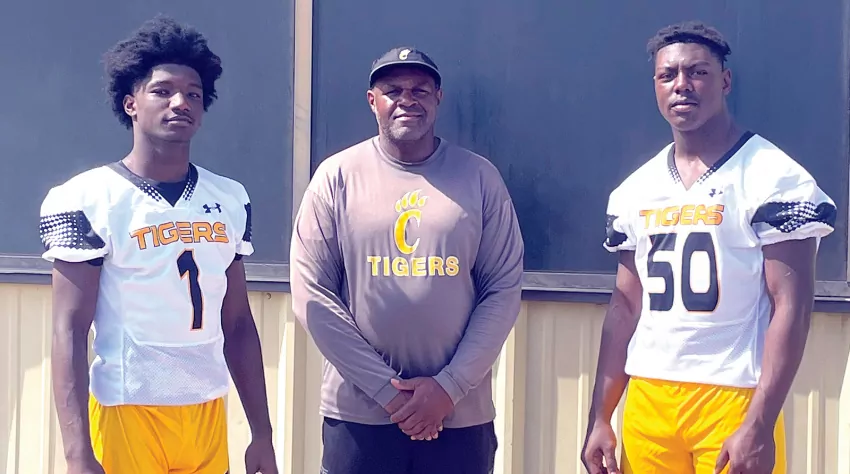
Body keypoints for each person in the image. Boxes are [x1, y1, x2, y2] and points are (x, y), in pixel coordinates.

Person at [581, 21, 837, 474]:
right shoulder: (634, 190)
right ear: (655, 86)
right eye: (667, 75)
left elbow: (791, 307)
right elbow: (625, 306)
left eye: (697, 72)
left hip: (732, 396)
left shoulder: (775, 177)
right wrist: (599, 416)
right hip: (648, 397)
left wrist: (759, 423)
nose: (681, 84)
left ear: (725, 80)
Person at [39, 16, 278, 474]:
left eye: (193, 94)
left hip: (207, 408)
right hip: (129, 409)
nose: (180, 102)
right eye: (163, 91)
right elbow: (69, 330)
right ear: (131, 103)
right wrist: (77, 453)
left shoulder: (228, 198)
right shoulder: (88, 198)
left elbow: (238, 324)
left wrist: (261, 434)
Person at [289, 46, 524, 474]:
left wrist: (448, 388)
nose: (407, 100)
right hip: (360, 416)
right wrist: (389, 394)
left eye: (420, 90)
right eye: (393, 90)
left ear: (438, 98)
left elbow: (502, 289)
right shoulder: (336, 177)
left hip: (458, 415)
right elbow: (312, 295)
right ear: (372, 101)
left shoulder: (479, 177)